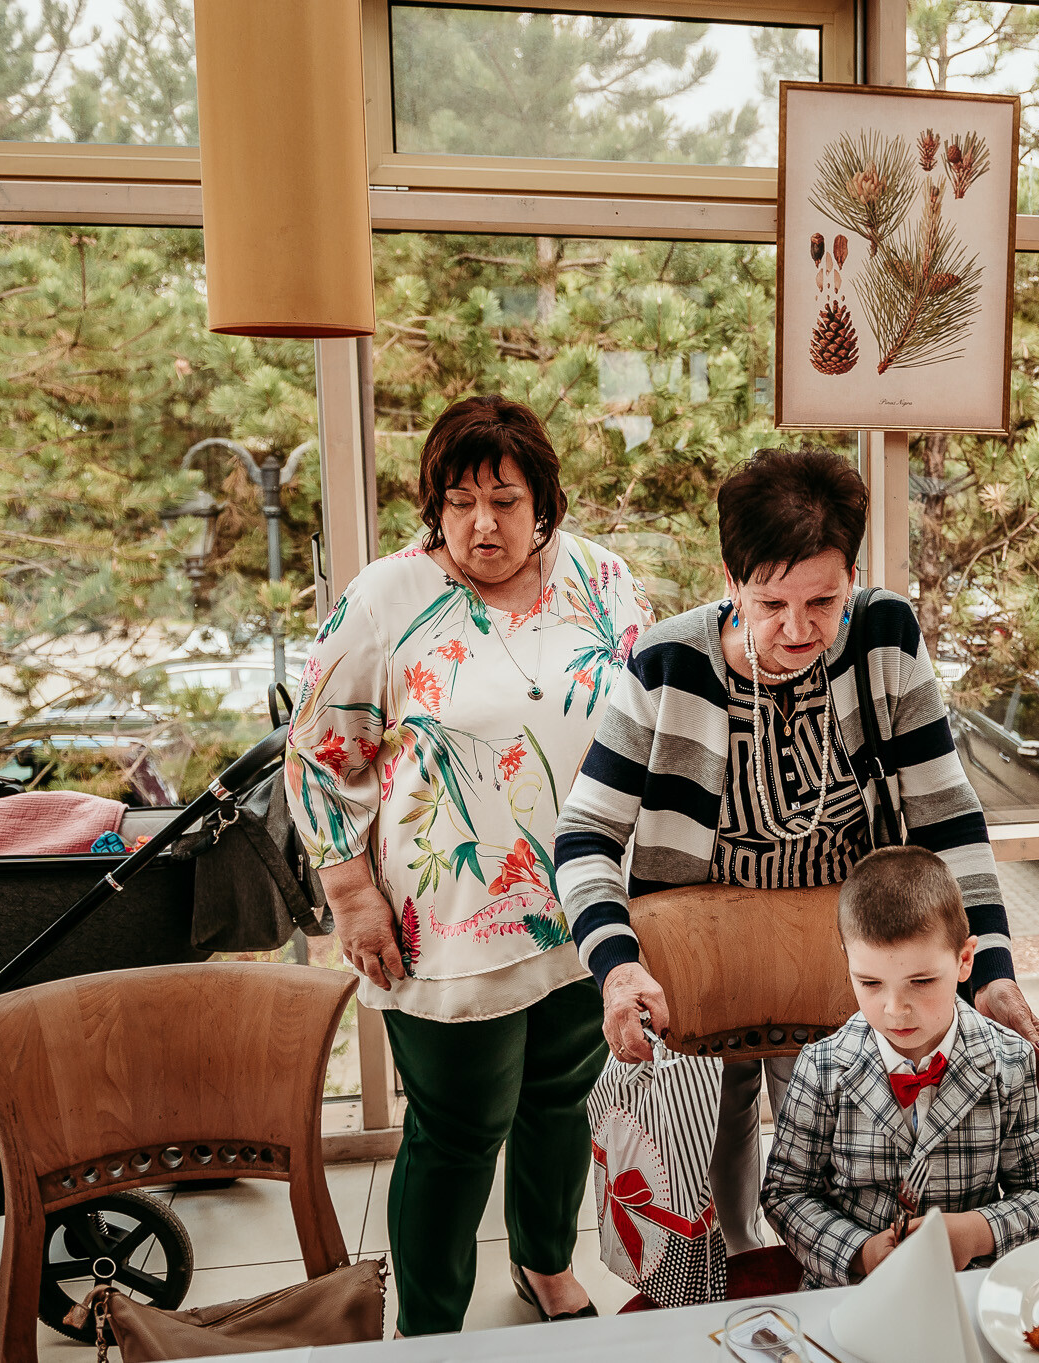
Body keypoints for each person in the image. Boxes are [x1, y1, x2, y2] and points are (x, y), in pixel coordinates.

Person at [554, 446, 1039, 1260]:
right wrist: (617, 967)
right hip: (701, 968)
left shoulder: (884, 637)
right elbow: (585, 834)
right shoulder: (669, 664)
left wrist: (991, 970)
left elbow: (946, 816)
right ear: (730, 579)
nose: (797, 629)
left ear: (853, 575)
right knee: (710, 1172)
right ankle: (733, 1280)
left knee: (844, 1172)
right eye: (769, 602)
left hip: (839, 962)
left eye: (823, 600)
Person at [286, 394, 651, 1333]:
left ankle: (545, 1262)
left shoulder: (601, 578)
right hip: (445, 919)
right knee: (456, 1129)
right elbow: (318, 750)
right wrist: (350, 892)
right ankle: (429, 1327)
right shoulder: (387, 598)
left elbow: (646, 714)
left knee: (561, 1098)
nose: (481, 524)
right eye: (459, 501)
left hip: (582, 902)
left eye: (504, 500)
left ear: (544, 503)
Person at [760, 845, 1039, 1288]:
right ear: (847, 960)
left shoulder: (1010, 1061)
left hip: (967, 1288)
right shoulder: (821, 1068)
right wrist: (860, 1252)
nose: (895, 1009)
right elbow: (785, 1192)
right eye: (870, 982)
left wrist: (974, 1233)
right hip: (853, 1292)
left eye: (921, 982)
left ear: (964, 960)